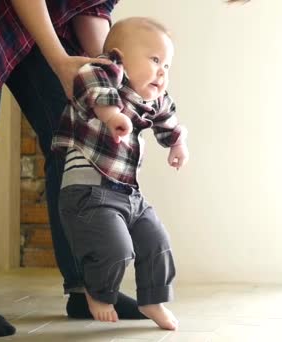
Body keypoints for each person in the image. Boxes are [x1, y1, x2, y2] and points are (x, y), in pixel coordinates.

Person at [0, 0, 145, 338]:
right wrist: (58, 60)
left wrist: (115, 82)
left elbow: (92, 10)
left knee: (75, 136)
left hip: (31, 26)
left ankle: (86, 288)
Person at [52, 17, 188, 330]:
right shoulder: (104, 73)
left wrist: (178, 145)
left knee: (157, 242)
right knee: (116, 249)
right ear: (119, 58)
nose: (161, 72)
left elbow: (169, 121)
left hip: (128, 194)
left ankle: (152, 299)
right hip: (87, 192)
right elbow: (90, 79)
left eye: (166, 65)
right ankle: (96, 291)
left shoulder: (152, 99)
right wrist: (111, 113)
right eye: (154, 60)